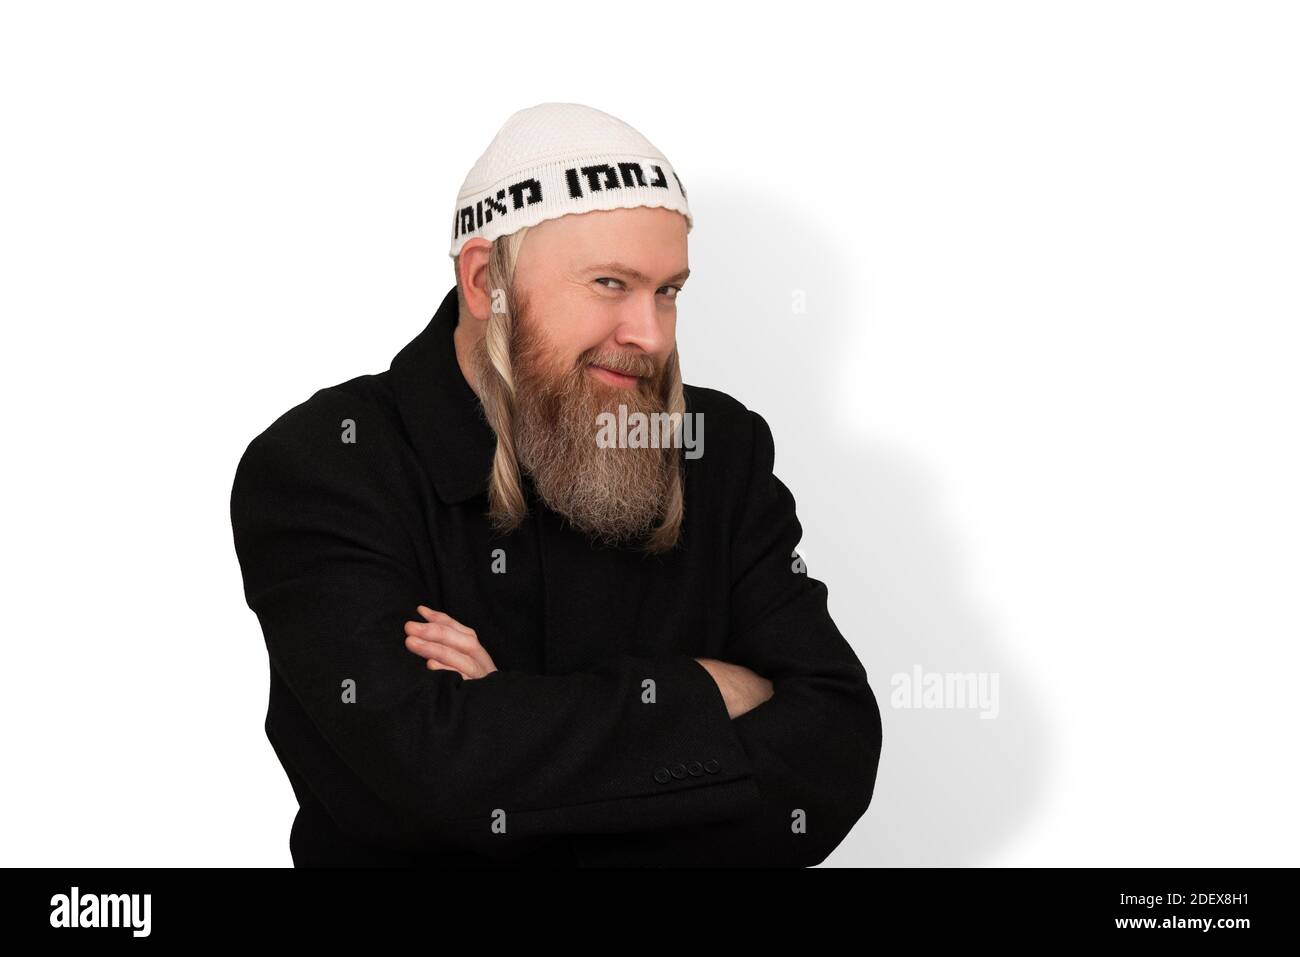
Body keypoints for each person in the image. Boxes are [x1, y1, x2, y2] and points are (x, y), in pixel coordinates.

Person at [229, 102, 883, 867]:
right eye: (611, 283)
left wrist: (503, 715)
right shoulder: (326, 467)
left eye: (668, 290)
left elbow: (836, 749)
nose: (652, 334)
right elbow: (423, 781)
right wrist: (712, 691)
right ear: (484, 283)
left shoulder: (722, 451)